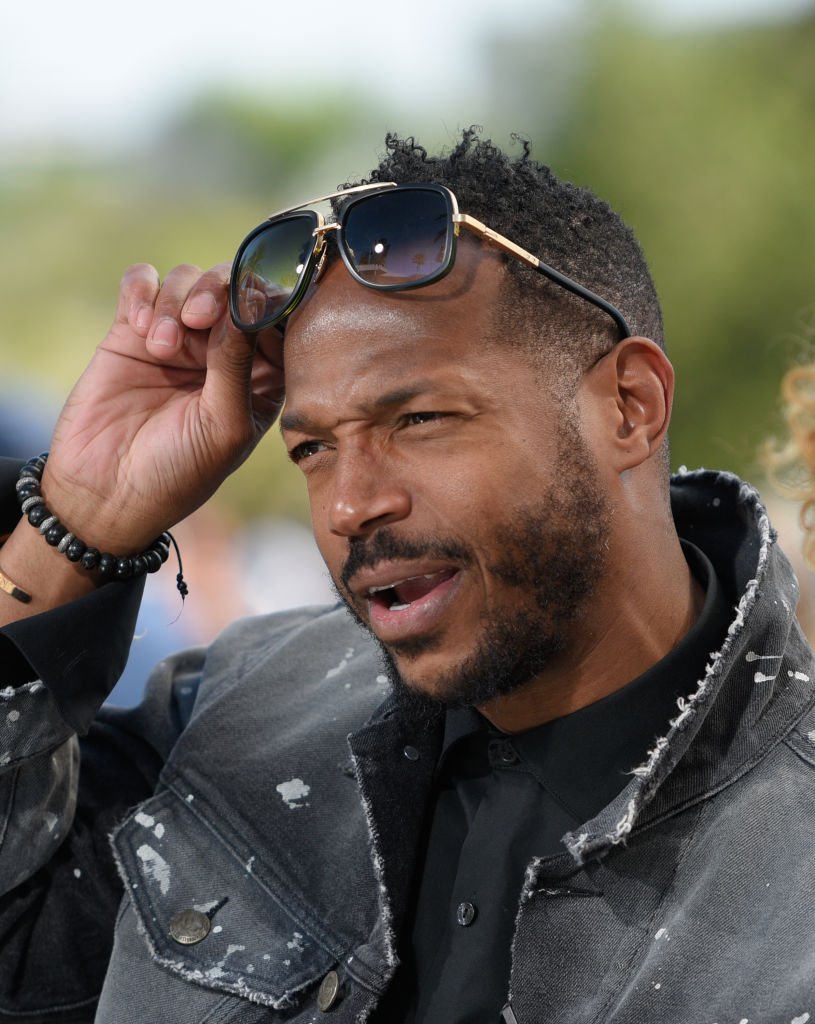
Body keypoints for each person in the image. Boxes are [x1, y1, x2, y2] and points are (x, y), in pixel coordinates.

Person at [0, 130, 813, 1024]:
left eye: (419, 418)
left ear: (628, 406)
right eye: (311, 447)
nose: (350, 504)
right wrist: (77, 522)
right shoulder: (234, 708)